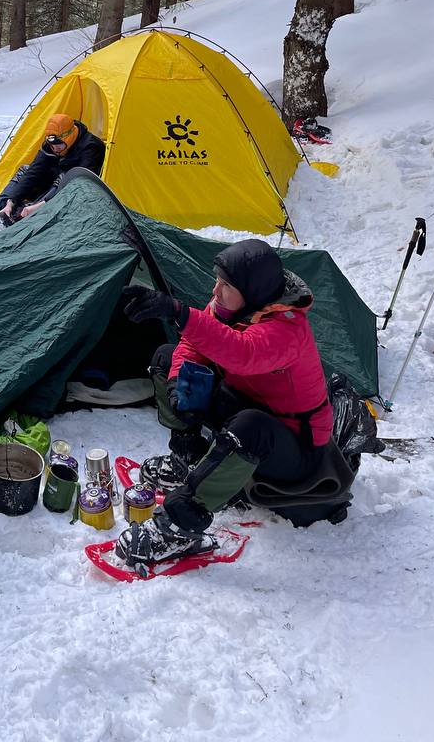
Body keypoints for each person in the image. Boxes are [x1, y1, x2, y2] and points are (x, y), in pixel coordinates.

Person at [115, 238, 333, 567]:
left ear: (253, 291)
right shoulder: (232, 306)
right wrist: (177, 384)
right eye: (216, 280)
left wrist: (177, 311)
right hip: (247, 407)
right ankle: (187, 459)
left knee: (251, 426)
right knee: (167, 358)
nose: (215, 292)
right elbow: (192, 346)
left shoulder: (288, 329)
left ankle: (181, 524)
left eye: (226, 285)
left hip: (294, 447)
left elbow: (242, 353)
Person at [0, 112, 106, 227]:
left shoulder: (91, 147)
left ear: (69, 137)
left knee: (65, 177)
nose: (55, 149)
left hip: (74, 191)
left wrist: (38, 206)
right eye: (52, 145)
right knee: (25, 169)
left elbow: (79, 183)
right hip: (51, 183)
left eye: (59, 145)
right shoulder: (52, 144)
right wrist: (11, 201)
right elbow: (34, 172)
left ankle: (22, 216)